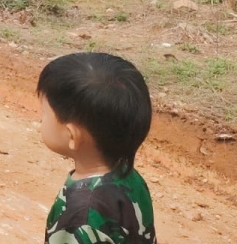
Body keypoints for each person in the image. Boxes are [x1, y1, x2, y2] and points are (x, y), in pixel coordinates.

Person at [37, 52, 157, 244]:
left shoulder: (80, 216)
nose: (40, 119)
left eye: (44, 113)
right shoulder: (130, 178)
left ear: (72, 136)